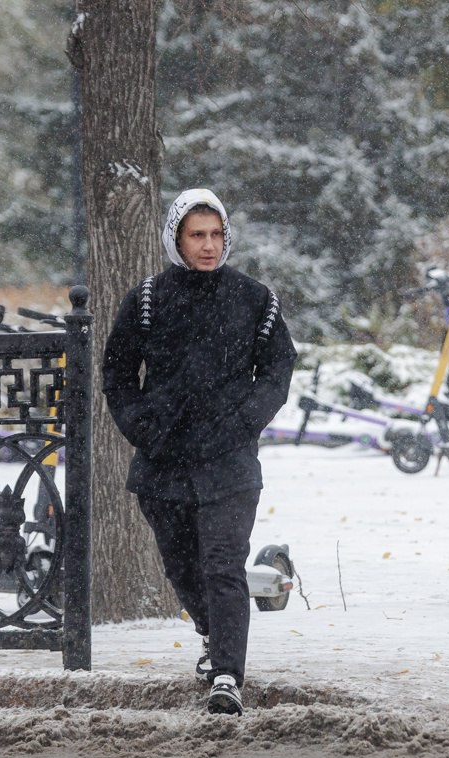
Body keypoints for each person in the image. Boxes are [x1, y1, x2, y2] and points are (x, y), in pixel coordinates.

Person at [101, 188, 297, 715]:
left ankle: (227, 674)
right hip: (164, 460)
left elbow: (278, 369)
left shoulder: (255, 299)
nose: (208, 246)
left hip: (230, 460)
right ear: (176, 239)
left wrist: (242, 420)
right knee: (181, 566)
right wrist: (143, 425)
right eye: (197, 235)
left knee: (222, 564)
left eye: (216, 234)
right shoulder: (146, 299)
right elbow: (117, 372)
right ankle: (214, 635)